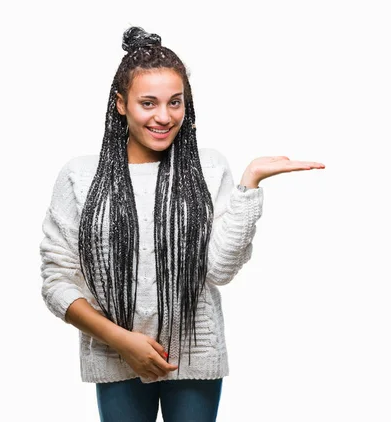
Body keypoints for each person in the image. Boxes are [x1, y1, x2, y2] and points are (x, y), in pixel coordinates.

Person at [39, 26, 325, 422]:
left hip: (195, 356)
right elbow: (57, 280)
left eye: (175, 103)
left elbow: (220, 271)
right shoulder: (80, 177)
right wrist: (121, 341)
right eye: (148, 103)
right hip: (114, 353)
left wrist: (249, 183)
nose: (164, 116)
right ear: (121, 104)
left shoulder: (208, 168)